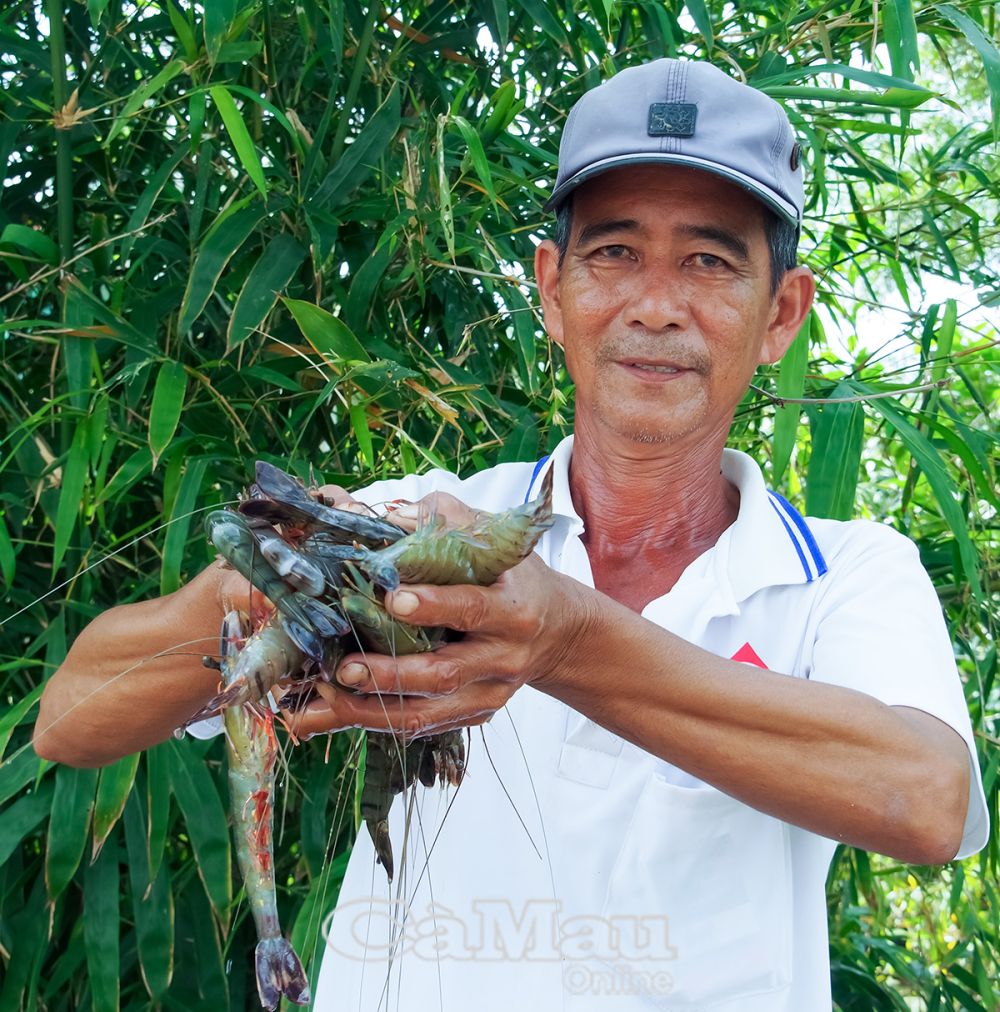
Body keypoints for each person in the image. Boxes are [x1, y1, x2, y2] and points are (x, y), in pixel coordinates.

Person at [35, 59, 987, 1010]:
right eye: (613, 254)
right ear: (551, 290)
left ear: (780, 313)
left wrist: (565, 637)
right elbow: (70, 718)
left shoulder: (847, 576)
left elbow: (926, 800)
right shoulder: (418, 515)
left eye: (709, 260)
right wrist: (257, 581)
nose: (656, 306)